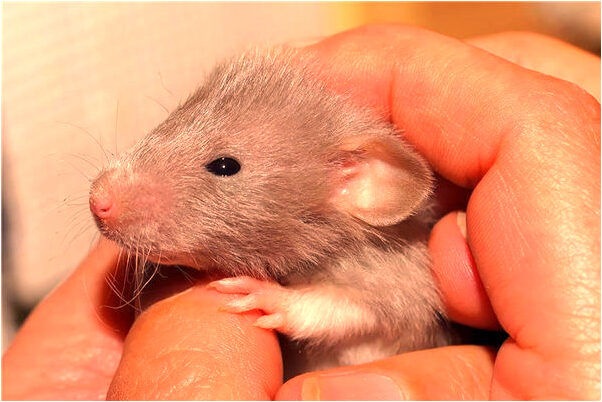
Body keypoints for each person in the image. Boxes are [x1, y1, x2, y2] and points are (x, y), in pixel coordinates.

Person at [3, 24, 600, 400]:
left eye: (223, 167)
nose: (106, 194)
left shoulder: (394, 244)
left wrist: (297, 307)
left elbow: (387, 311)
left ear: (355, 180)